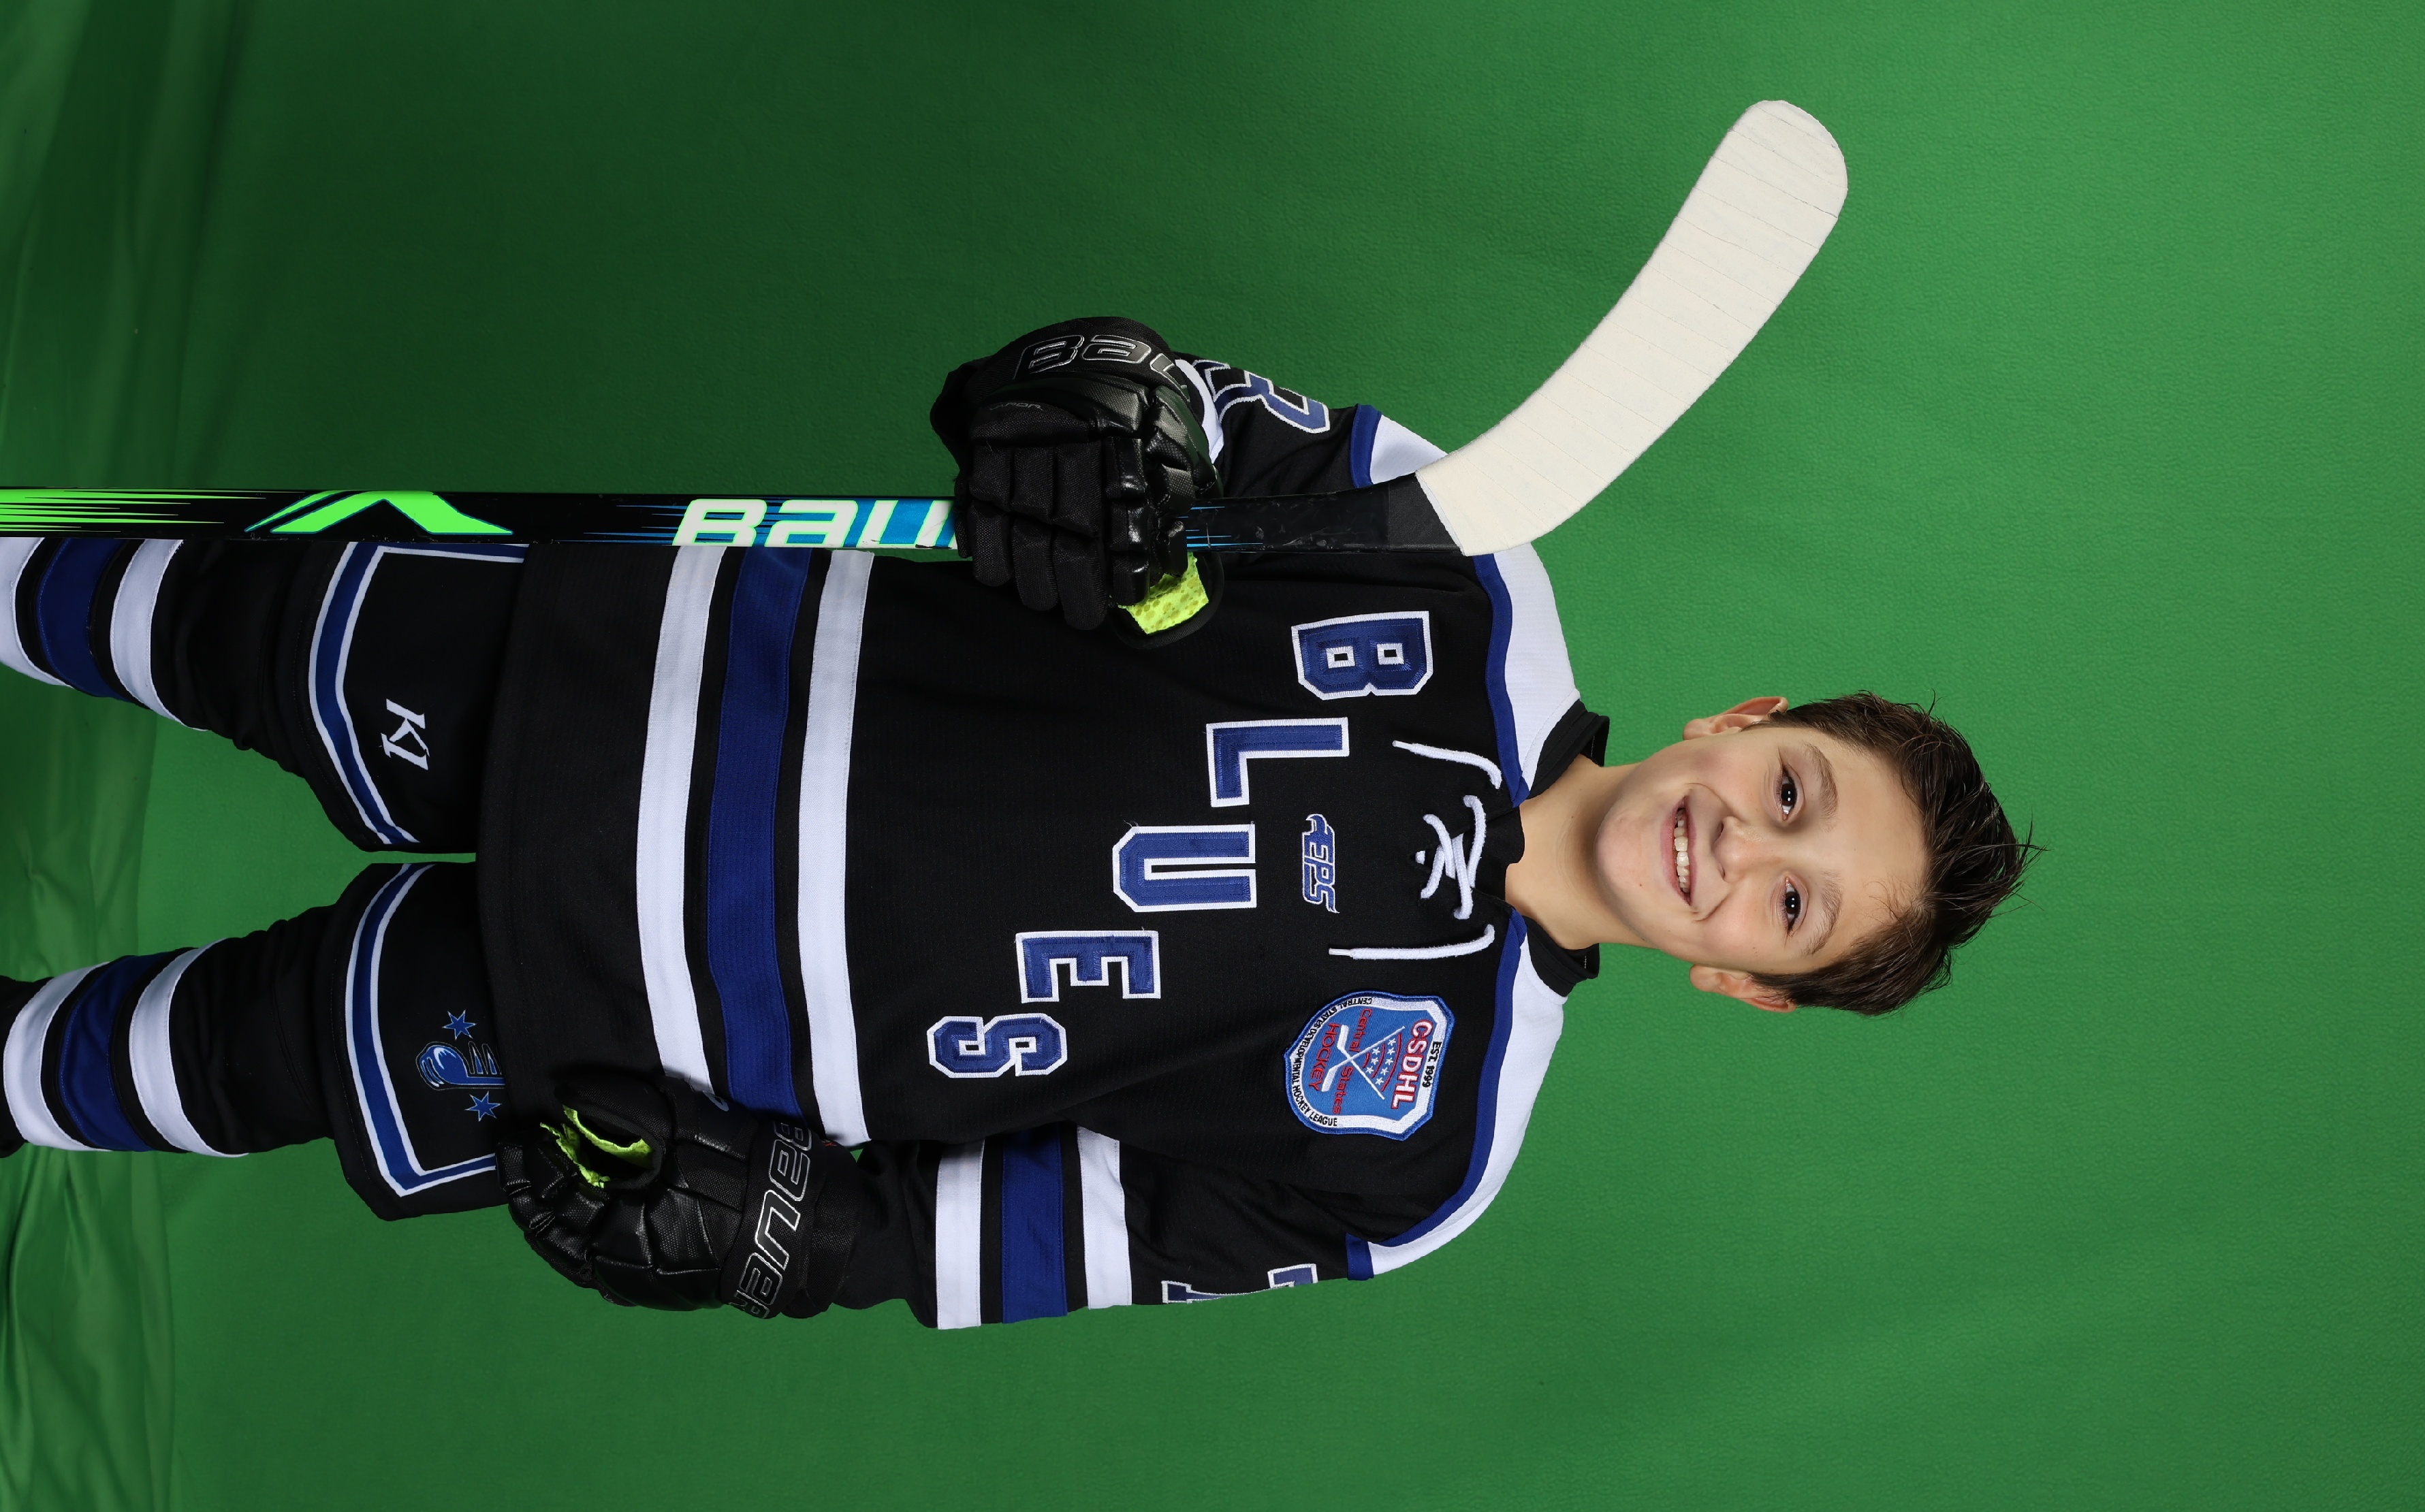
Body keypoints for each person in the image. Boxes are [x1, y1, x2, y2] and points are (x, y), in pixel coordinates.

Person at [0, 319, 2030, 1328]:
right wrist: (1091, 405)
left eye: (1789, 907)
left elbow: (1059, 1230)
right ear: (1746, 718)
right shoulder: (1461, 559)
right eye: (1791, 791)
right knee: (187, 620)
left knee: (207, 1063)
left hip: (646, 1028)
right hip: (635, 677)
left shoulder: (1432, 1153)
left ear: (1744, 985)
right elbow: (1152, 398)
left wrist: (787, 1233)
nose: (1739, 849)